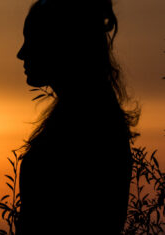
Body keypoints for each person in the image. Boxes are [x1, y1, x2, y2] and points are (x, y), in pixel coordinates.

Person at [16, 0, 139, 234]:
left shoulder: (89, 126)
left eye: (31, 41)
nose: (21, 54)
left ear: (60, 44)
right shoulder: (91, 117)